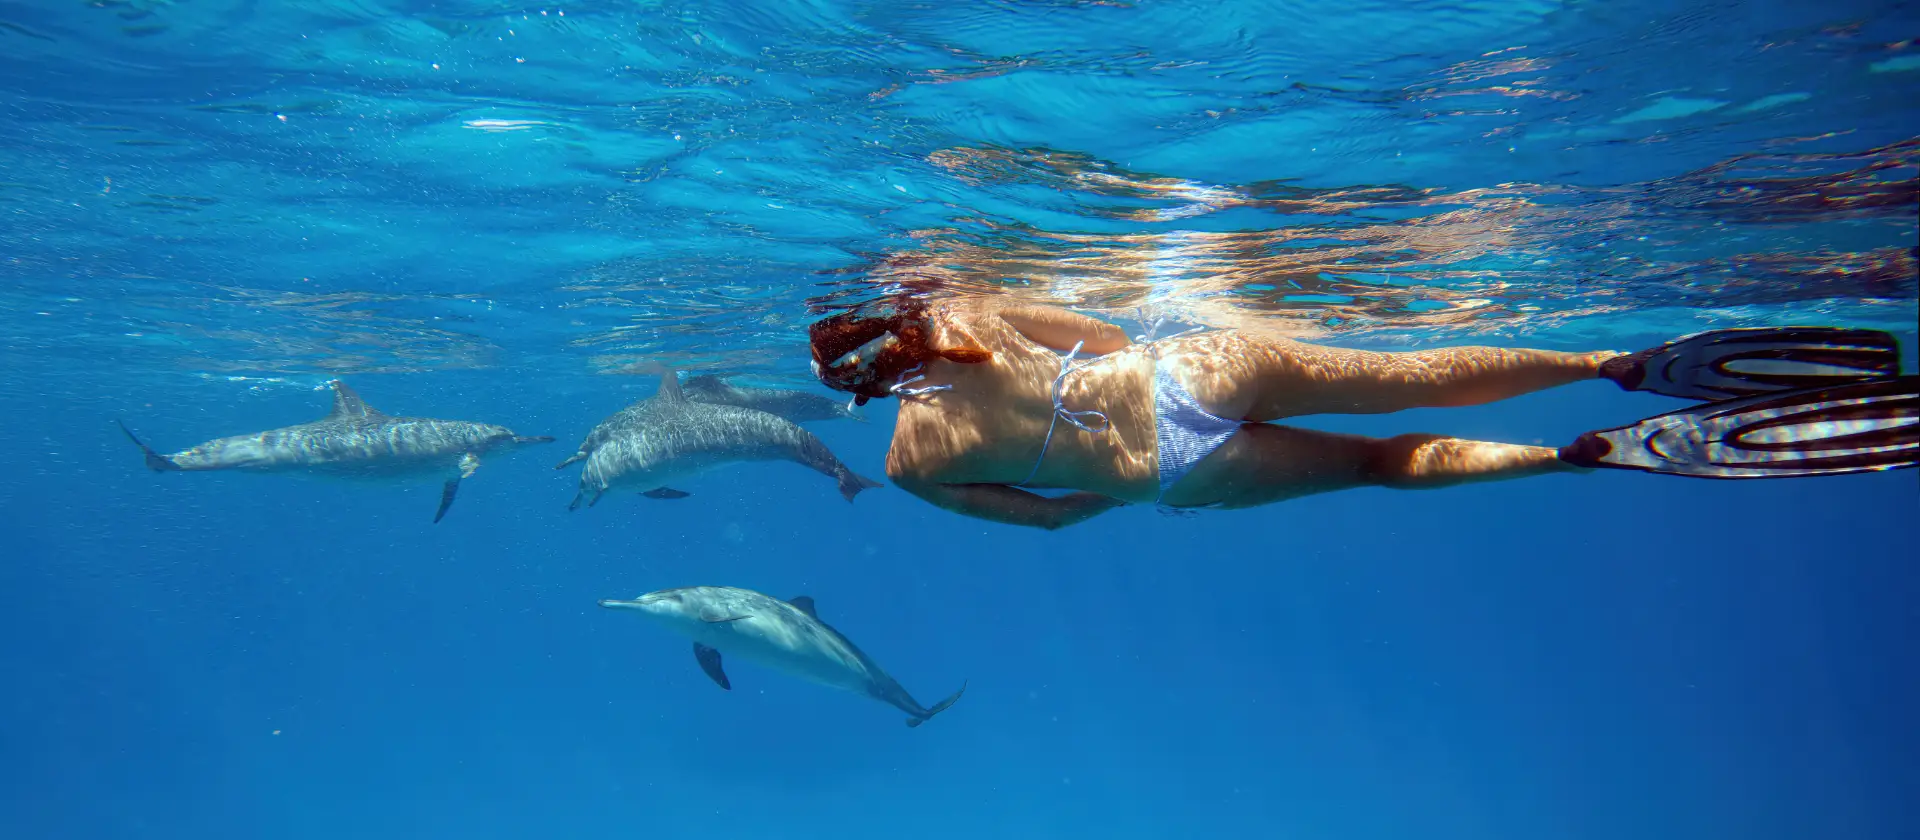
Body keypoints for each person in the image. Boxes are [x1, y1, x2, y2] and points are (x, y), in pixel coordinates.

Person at [804, 294, 1917, 529]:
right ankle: (1612, 360)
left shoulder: (908, 466)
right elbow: (1100, 338)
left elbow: (1049, 521)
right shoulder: (969, 311)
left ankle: (1580, 452)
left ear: (857, 387)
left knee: (1383, 464)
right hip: (1189, 374)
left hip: (1175, 473)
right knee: (1416, 371)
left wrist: (1122, 486)